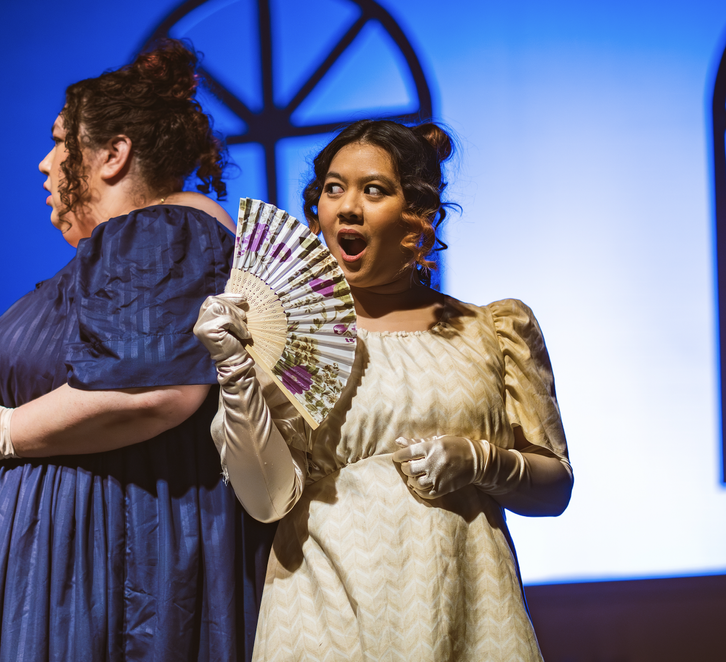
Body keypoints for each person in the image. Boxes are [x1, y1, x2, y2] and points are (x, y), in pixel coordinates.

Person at [0, 39, 274, 662]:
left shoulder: (163, 230)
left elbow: (154, 391)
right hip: (61, 576)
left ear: (113, 154)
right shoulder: (127, 249)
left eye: (60, 141)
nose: (45, 164)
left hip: (108, 576)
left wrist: (5, 429)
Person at [194, 119, 573, 661]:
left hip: (467, 610)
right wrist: (234, 370)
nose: (348, 206)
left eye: (374, 190)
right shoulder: (287, 343)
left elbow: (555, 487)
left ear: (419, 219)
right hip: (324, 613)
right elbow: (265, 498)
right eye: (333, 187)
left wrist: (484, 463)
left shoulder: (493, 332)